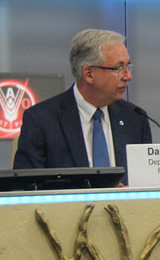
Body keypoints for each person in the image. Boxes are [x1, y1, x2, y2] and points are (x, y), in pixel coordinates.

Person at [14, 29, 152, 176]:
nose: (128, 76)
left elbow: (147, 180)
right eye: (118, 68)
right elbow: (25, 185)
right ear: (89, 74)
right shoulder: (41, 120)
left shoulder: (135, 119)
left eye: (127, 66)